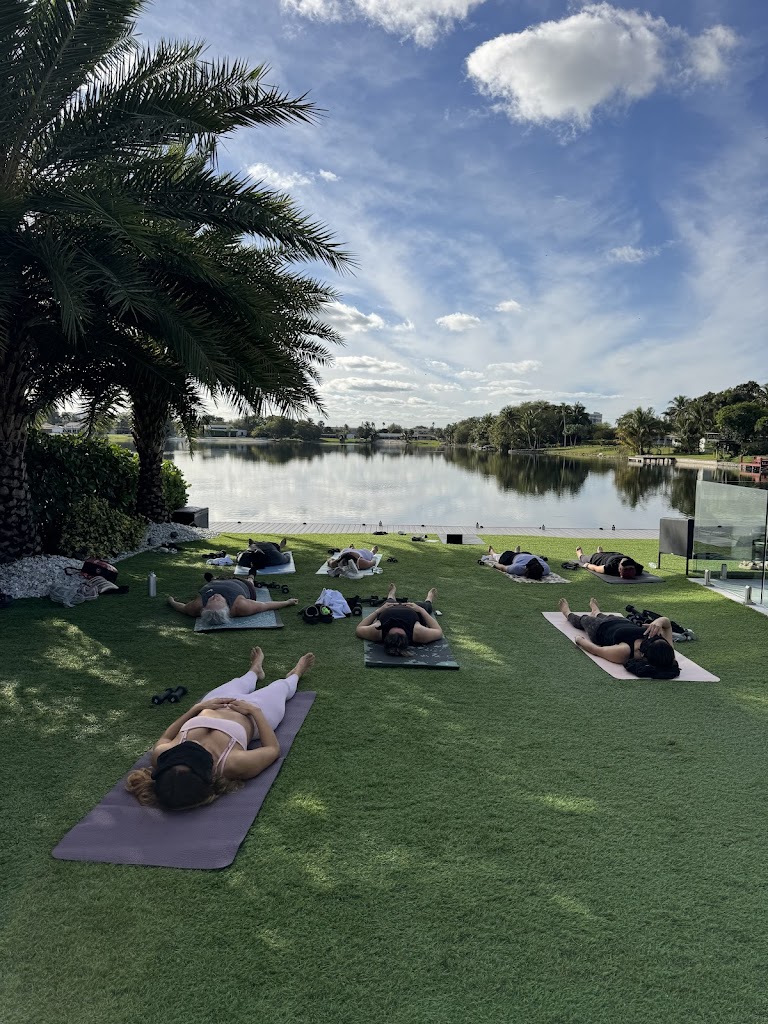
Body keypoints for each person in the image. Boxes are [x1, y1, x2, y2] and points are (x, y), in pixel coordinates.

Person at [126, 647, 315, 810]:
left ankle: (254, 672)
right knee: (281, 688)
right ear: (207, 773)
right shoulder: (231, 764)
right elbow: (272, 750)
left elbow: (166, 736)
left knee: (239, 682)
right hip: (254, 715)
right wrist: (254, 711)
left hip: (213, 704)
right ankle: (295, 674)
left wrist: (195, 709)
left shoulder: (163, 755)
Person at [558, 596, 680, 679]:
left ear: (644, 655)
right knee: (605, 615)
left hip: (599, 629)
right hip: (623, 623)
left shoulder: (624, 652)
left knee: (583, 620)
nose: (652, 637)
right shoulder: (667, 652)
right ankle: (596, 611)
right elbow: (668, 626)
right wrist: (658, 622)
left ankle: (567, 613)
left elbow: (597, 650)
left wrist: (579, 640)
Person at [167, 576, 298, 629]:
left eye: (212, 599)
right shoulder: (241, 606)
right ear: (227, 608)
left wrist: (171, 601)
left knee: (217, 579)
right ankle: (251, 577)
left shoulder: (197, 606)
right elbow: (265, 605)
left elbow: (183, 608)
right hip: (243, 585)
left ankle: (214, 578)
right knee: (250, 582)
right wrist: (287, 602)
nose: (214, 596)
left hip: (216, 582)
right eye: (216, 600)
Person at [355, 583, 442, 655]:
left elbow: (359, 629)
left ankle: (391, 594)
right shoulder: (418, 633)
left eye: (394, 632)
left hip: (388, 607)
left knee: (389, 600)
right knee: (427, 606)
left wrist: (378, 611)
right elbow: (438, 631)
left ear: (387, 635)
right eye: (400, 632)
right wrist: (421, 610)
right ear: (406, 637)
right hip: (413, 610)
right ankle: (429, 597)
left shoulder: (378, 631)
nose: (397, 626)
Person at [576, 545, 644, 578]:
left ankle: (600, 552)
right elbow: (596, 568)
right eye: (626, 570)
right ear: (620, 569)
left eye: (631, 569)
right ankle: (580, 554)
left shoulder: (638, 568)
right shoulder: (611, 567)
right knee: (583, 559)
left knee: (601, 554)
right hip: (601, 558)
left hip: (617, 554)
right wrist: (587, 565)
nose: (628, 572)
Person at [485, 545, 550, 580]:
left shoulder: (518, 568)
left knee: (498, 558)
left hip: (515, 556)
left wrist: (495, 565)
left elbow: (502, 567)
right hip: (526, 555)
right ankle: (517, 552)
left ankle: (492, 552)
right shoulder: (546, 569)